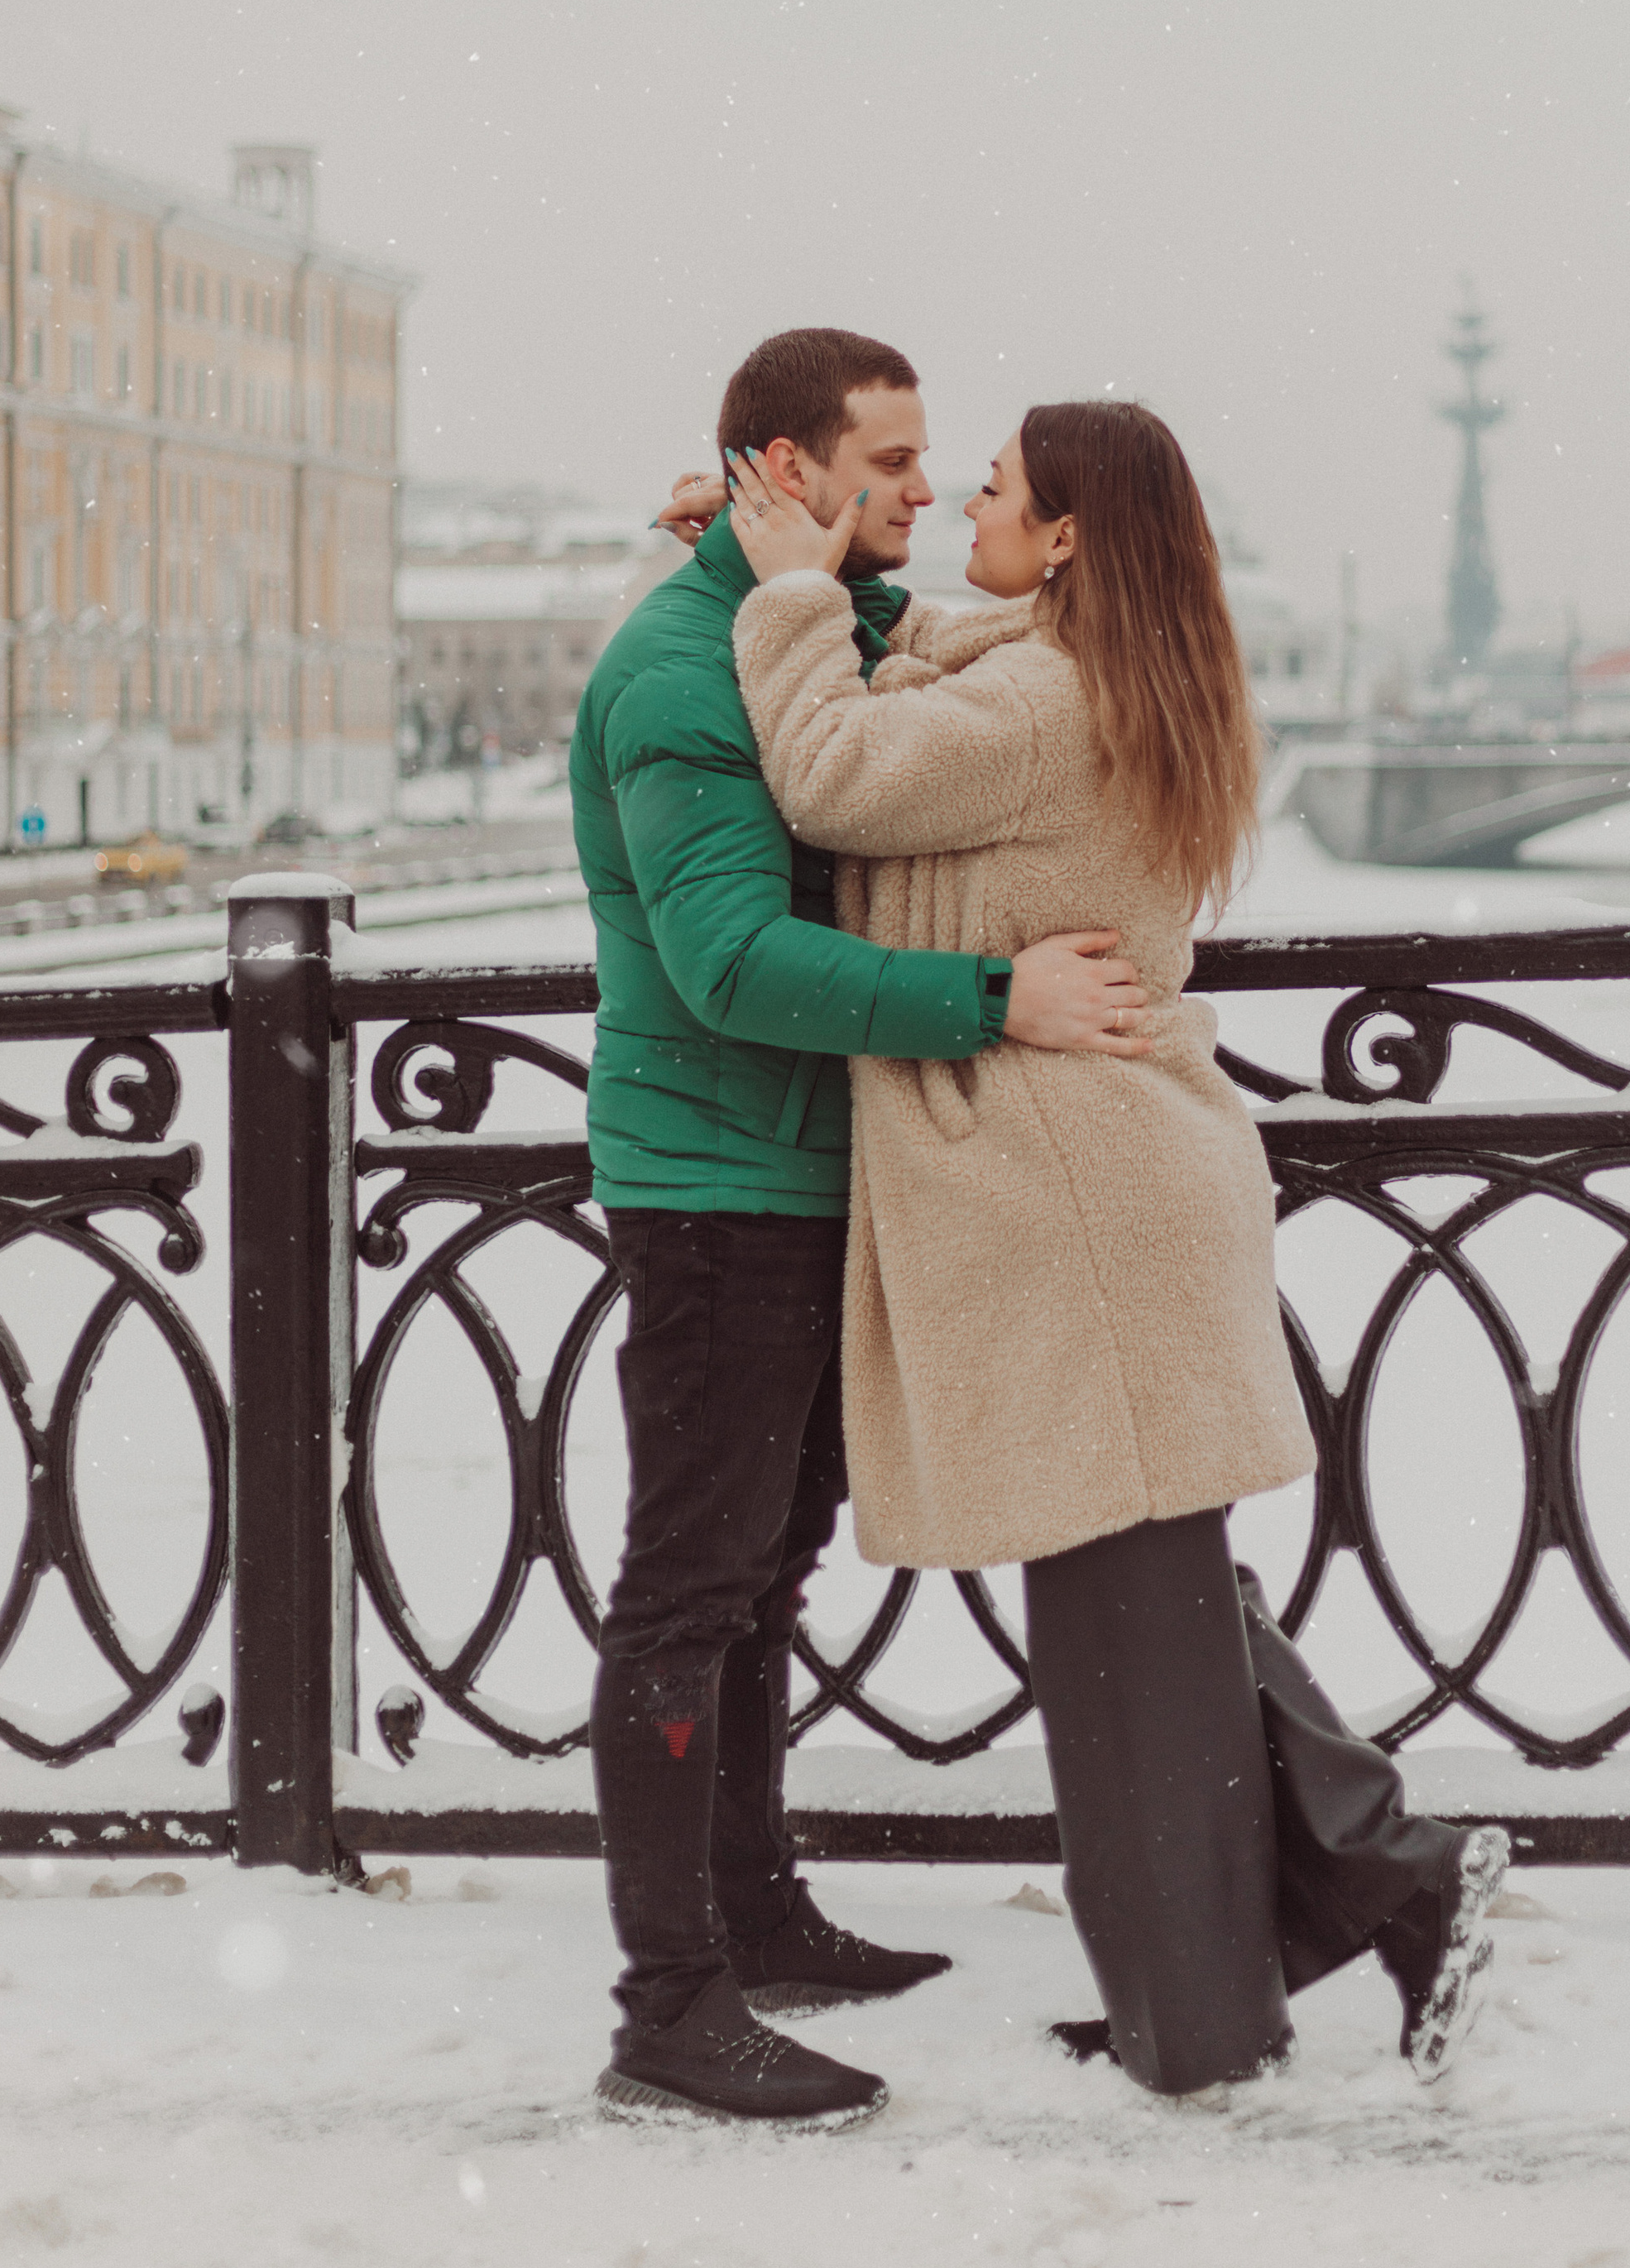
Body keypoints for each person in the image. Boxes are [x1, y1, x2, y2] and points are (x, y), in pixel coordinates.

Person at [717, 400, 1512, 2101]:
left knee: (1126, 1648)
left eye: (998, 488)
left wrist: (785, 602)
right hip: (1107, 1182)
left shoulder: (1041, 704)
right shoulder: (1090, 674)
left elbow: (832, 772)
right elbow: (936, 660)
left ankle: (1216, 2016)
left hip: (1072, 1195)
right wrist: (818, 566)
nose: (967, 505)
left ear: (1068, 535)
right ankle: (1351, 1896)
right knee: (1152, 1608)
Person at [573, 328, 1154, 2131]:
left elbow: (927, 679)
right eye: (890, 462)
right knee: (688, 1588)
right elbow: (731, 963)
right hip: (717, 1189)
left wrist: (791, 576)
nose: (924, 488)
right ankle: (669, 2005)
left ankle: (753, 1914)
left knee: (763, 1573)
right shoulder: (680, 673)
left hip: (813, 1178)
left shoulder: (804, 621)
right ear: (786, 471)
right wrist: (995, 1000)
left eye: (928, 460)